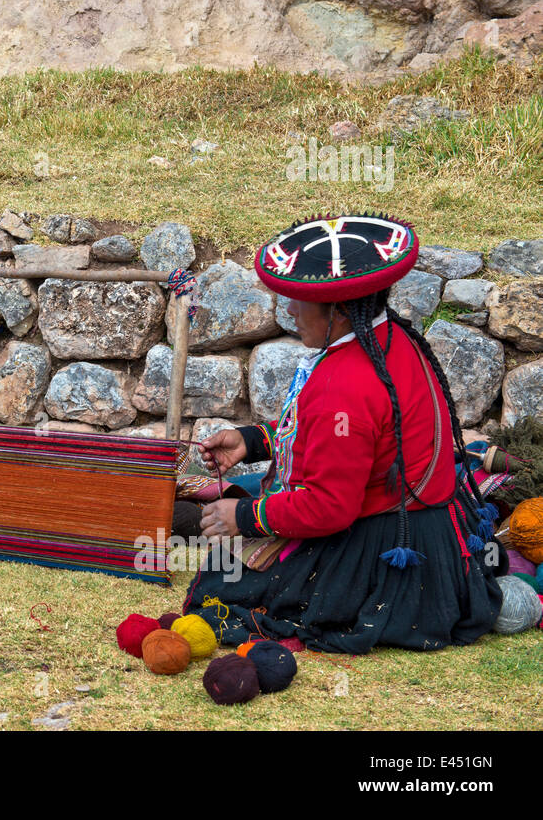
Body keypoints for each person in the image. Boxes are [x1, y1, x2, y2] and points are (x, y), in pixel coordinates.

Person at [185, 212, 502, 653]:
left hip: (385, 543)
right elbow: (345, 435)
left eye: (299, 301)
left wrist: (242, 518)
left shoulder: (344, 384)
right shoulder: (393, 336)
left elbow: (330, 508)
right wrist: (253, 440)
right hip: (432, 532)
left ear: (338, 310)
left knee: (224, 587)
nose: (290, 310)